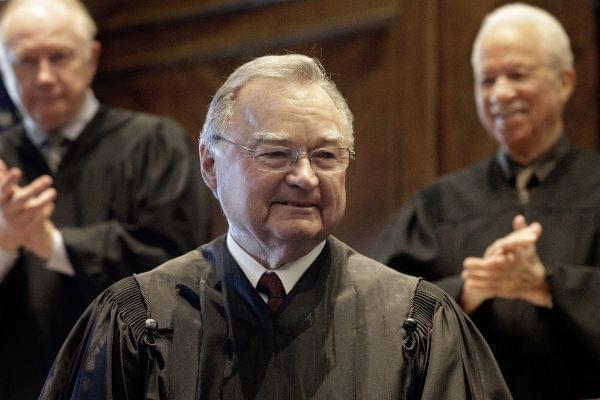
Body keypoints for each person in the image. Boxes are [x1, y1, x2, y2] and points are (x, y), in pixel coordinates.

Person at [40, 54, 512, 399]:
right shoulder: (139, 319)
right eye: (274, 153)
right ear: (209, 164)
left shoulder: (418, 321)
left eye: (327, 154)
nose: (305, 176)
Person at [372, 3, 600, 399]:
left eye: (517, 74)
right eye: (487, 80)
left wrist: (550, 286)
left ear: (564, 82)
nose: (500, 93)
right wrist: (465, 291)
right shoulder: (438, 205)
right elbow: (381, 312)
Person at [0, 0, 210, 398]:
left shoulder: (154, 143)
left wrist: (54, 246)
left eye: (59, 57)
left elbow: (181, 266)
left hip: (130, 383)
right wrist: (7, 244)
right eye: (26, 61)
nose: (43, 77)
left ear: (92, 58)